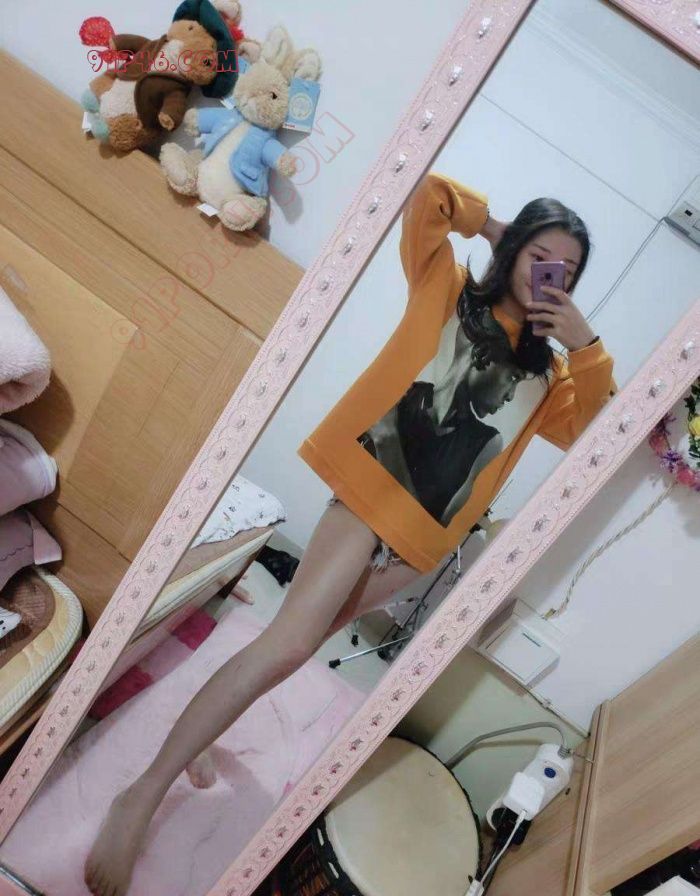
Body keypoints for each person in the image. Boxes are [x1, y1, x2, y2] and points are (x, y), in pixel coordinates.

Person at [85, 173, 614, 896]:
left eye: (568, 271)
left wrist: (586, 344)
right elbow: (429, 196)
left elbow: (597, 434)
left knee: (291, 649)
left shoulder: (549, 377)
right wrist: (498, 230)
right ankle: (142, 792)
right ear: (517, 246)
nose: (551, 275)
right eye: (541, 256)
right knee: (286, 645)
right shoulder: (449, 289)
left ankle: (199, 739)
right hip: (370, 488)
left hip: (421, 538)